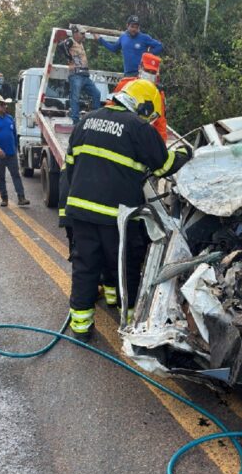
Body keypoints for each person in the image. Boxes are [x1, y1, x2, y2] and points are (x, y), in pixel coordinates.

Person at [59, 79, 188, 341]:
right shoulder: (138, 128)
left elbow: (69, 166)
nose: (150, 119)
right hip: (116, 216)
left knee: (85, 266)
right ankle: (128, 322)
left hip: (82, 211)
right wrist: (186, 153)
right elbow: (163, 166)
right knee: (124, 266)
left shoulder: (86, 120)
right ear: (142, 105)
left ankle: (81, 328)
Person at [112, 52, 168, 141]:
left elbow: (160, 124)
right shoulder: (124, 84)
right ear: (140, 68)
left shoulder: (158, 94)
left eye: (152, 72)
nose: (149, 74)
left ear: (157, 75)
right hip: (120, 130)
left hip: (142, 135)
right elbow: (109, 109)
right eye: (147, 70)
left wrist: (161, 148)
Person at [0, 95, 28, 207]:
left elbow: (14, 134)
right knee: (1, 177)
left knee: (16, 175)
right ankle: (4, 198)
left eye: (5, 104)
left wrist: (15, 148)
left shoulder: (9, 118)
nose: (5, 106)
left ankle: (21, 197)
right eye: (2, 104)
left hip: (11, 153)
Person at [58, 25, 104, 124]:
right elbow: (61, 45)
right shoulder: (71, 41)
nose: (84, 36)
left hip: (85, 75)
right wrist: (70, 59)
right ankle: (75, 120)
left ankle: (95, 118)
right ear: (75, 33)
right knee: (75, 96)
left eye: (84, 33)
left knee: (97, 94)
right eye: (82, 33)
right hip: (76, 75)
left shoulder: (80, 43)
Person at [98, 15, 163, 76]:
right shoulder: (123, 37)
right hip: (127, 74)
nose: (134, 29)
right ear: (127, 26)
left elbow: (159, 46)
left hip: (141, 74)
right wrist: (100, 39)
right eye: (132, 26)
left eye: (136, 27)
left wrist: (148, 54)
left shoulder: (144, 37)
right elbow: (113, 48)